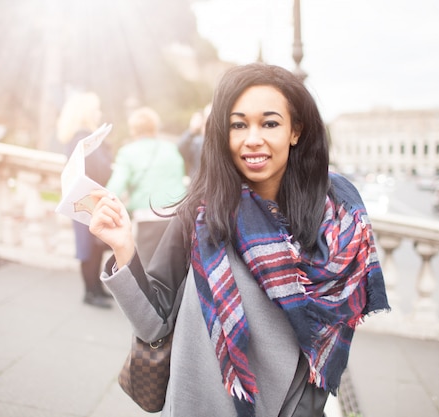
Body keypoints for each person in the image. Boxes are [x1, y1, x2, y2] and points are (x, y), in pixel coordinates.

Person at [89, 63, 390, 417]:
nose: (252, 139)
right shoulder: (202, 211)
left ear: (296, 130)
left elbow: (323, 347)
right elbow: (154, 323)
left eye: (270, 123)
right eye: (239, 124)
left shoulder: (337, 219)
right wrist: (123, 246)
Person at [105, 106, 187, 267]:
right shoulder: (171, 148)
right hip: (176, 215)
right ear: (155, 127)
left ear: (133, 129)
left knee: (149, 267)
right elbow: (179, 176)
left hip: (147, 215)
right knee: (175, 266)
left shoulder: (127, 152)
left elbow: (115, 187)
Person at [56, 90, 114, 309]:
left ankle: (95, 289)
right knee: (88, 248)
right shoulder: (81, 138)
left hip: (88, 198)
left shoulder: (80, 138)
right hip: (85, 199)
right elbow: (100, 168)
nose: (99, 113)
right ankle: (90, 292)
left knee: (96, 247)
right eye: (96, 109)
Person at [177, 103, 211, 179]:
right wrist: (191, 130)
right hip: (196, 184)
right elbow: (180, 152)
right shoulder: (195, 139)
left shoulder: (221, 140)